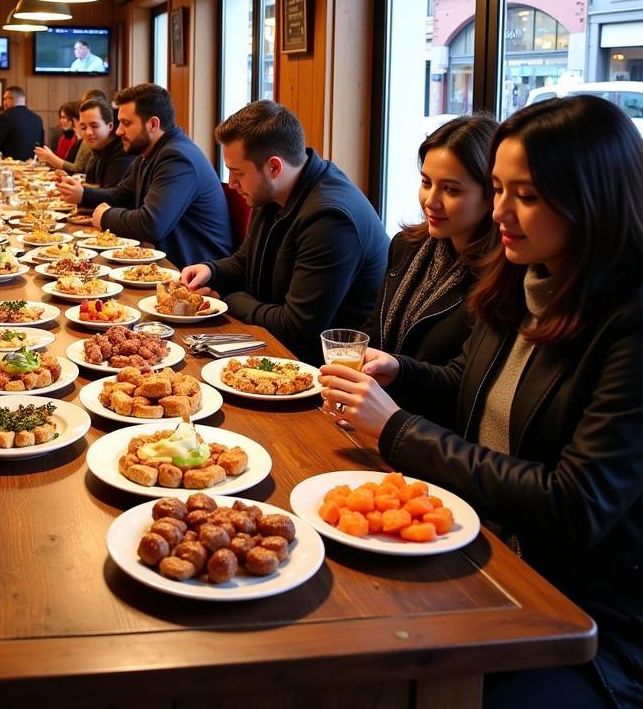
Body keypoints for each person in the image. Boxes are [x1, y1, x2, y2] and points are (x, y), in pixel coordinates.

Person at [320, 96, 643, 709]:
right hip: (476, 539)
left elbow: (576, 504)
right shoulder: (521, 279)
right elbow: (468, 388)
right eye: (497, 188)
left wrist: (397, 430)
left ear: (592, 197)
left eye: (526, 194)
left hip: (583, 609)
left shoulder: (626, 322)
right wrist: (401, 370)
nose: (500, 211)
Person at [179, 100, 387, 365]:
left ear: (274, 167)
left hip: (321, 368)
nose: (231, 184)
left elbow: (296, 328)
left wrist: (227, 299)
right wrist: (212, 271)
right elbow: (246, 260)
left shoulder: (331, 219)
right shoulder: (272, 192)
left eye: (237, 173)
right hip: (273, 344)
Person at [364, 113, 498, 364]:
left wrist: (397, 374)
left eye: (451, 189)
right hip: (378, 396)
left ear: (492, 194)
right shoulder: (406, 246)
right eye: (426, 182)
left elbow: (465, 381)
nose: (430, 201)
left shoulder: (499, 275)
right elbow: (374, 333)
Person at [59, 83, 232, 267]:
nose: (118, 131)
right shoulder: (150, 152)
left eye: (126, 123)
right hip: (164, 260)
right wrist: (83, 195)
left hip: (194, 270)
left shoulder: (177, 158)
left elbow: (152, 225)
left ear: (152, 124)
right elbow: (121, 195)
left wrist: (106, 216)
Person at [35, 88, 106, 175]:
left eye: (65, 117)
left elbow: (77, 169)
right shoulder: (68, 137)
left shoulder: (88, 138)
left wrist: (51, 158)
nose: (62, 121)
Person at [0, 84, 44, 161]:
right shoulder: (38, 119)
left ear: (11, 99)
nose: (4, 103)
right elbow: (41, 146)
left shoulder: (6, 116)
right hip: (33, 166)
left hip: (11, 165)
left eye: (5, 99)